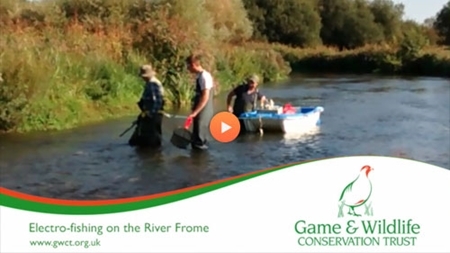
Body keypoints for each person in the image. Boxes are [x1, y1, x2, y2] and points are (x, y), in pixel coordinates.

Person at [128, 64, 165, 148]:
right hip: (152, 114)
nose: (142, 78)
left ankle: (153, 155)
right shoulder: (151, 83)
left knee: (152, 138)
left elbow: (157, 101)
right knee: (150, 138)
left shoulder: (153, 84)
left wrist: (151, 114)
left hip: (153, 115)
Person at [186, 53, 214, 150]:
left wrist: (195, 112)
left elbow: (205, 97)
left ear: (193, 65)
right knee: (196, 137)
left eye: (188, 66)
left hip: (204, 110)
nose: (187, 69)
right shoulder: (200, 76)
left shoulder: (204, 76)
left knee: (199, 139)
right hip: (201, 110)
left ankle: (201, 162)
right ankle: (197, 162)